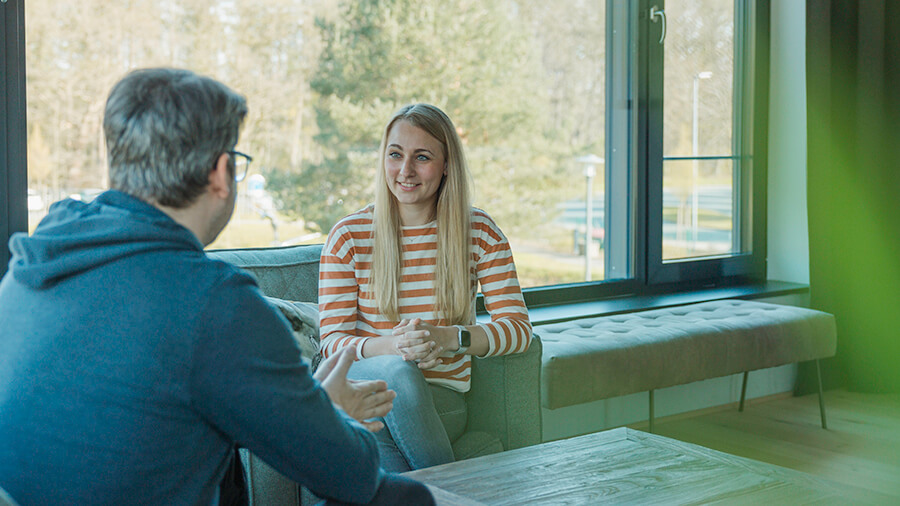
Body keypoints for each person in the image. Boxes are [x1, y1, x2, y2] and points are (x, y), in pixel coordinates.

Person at [0, 68, 433, 506]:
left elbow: (141, 416)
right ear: (222, 173)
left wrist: (308, 411)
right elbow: (353, 478)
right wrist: (332, 419)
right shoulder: (213, 303)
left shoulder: (31, 265)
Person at [318, 103, 533, 472]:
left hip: (439, 402)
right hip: (366, 391)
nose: (406, 170)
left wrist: (448, 338)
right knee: (398, 371)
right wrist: (396, 347)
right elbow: (332, 343)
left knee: (376, 449)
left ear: (446, 165)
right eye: (395, 154)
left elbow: (519, 331)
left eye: (422, 157)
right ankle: (451, 487)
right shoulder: (348, 236)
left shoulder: (479, 232)